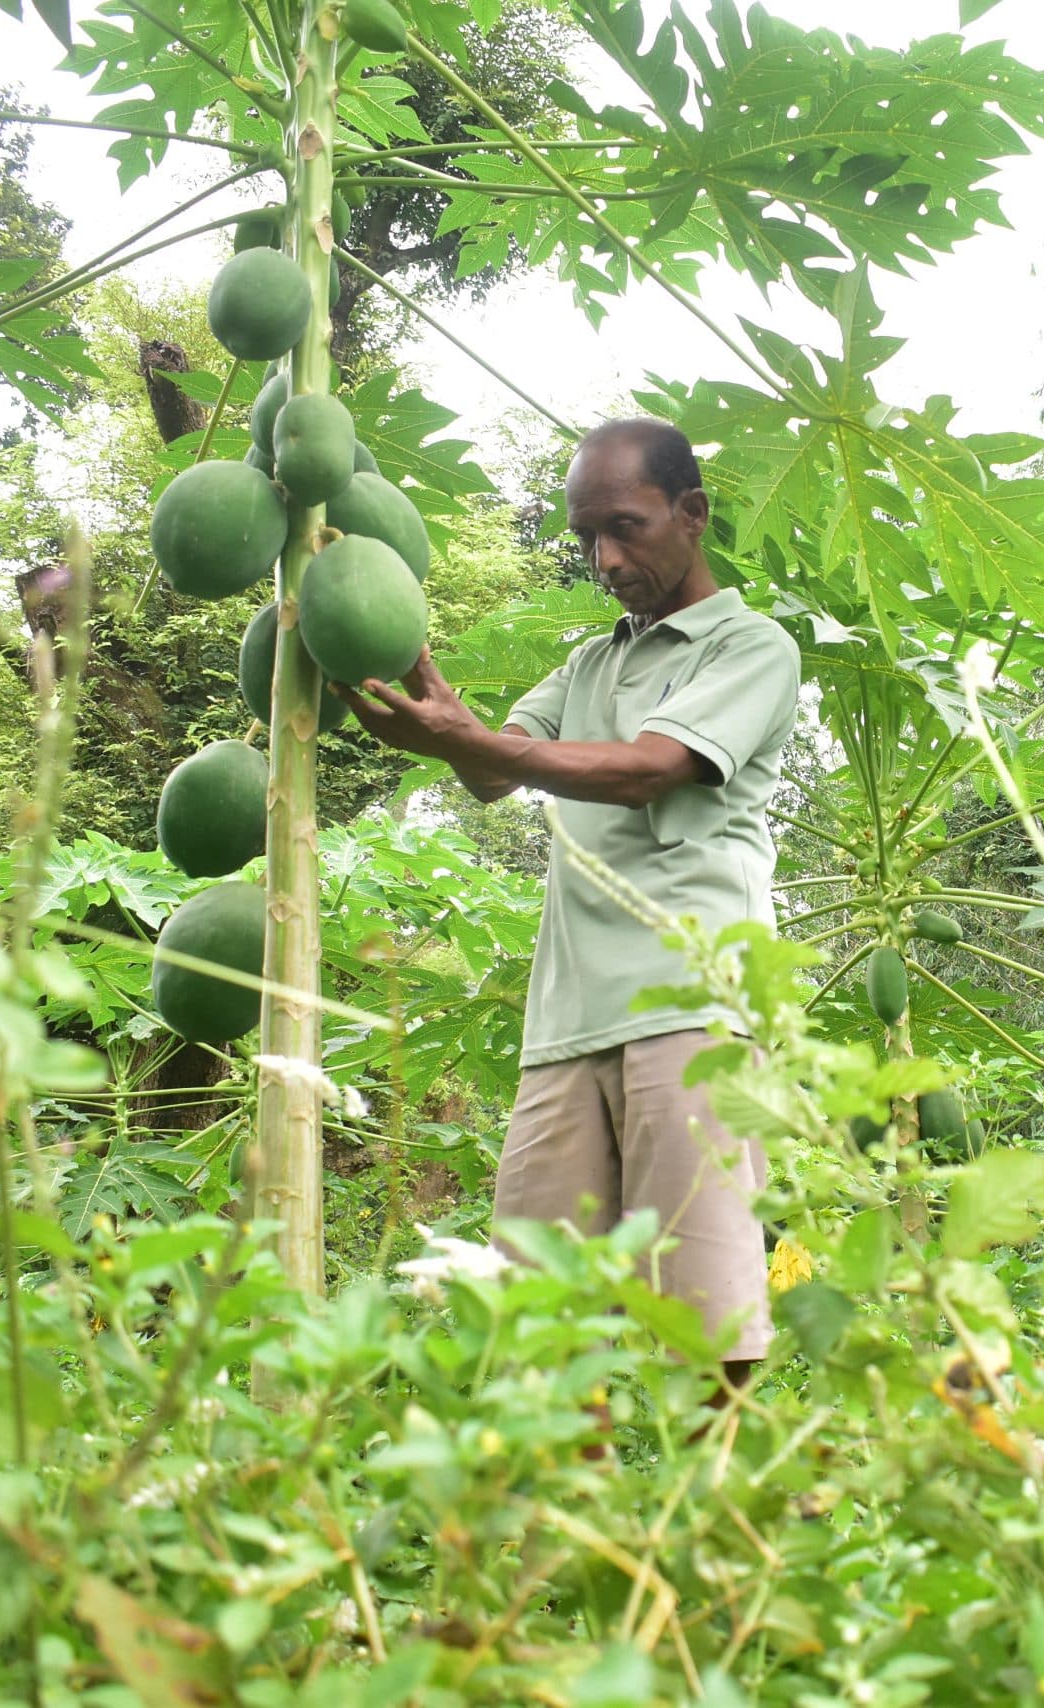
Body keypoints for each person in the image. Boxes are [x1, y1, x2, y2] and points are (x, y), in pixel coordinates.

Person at [336, 418, 801, 1393]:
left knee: (705, 1327)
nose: (604, 558)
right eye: (587, 536)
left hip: (691, 1011)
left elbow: (647, 770)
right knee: (541, 1327)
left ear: (692, 514)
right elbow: (492, 773)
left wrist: (481, 746)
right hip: (565, 1024)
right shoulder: (590, 666)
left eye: (626, 528)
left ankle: (710, 1527)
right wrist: (427, 700)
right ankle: (564, 1528)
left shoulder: (751, 648)